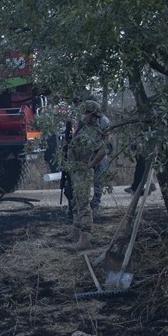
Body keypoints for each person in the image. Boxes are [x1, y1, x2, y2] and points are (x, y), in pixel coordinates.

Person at [64, 102, 108, 250]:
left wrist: (89, 165)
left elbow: (102, 151)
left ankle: (85, 238)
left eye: (86, 112)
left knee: (83, 204)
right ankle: (76, 232)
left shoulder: (94, 131)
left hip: (83, 171)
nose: (84, 115)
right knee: (76, 201)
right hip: (75, 170)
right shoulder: (84, 129)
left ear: (92, 114)